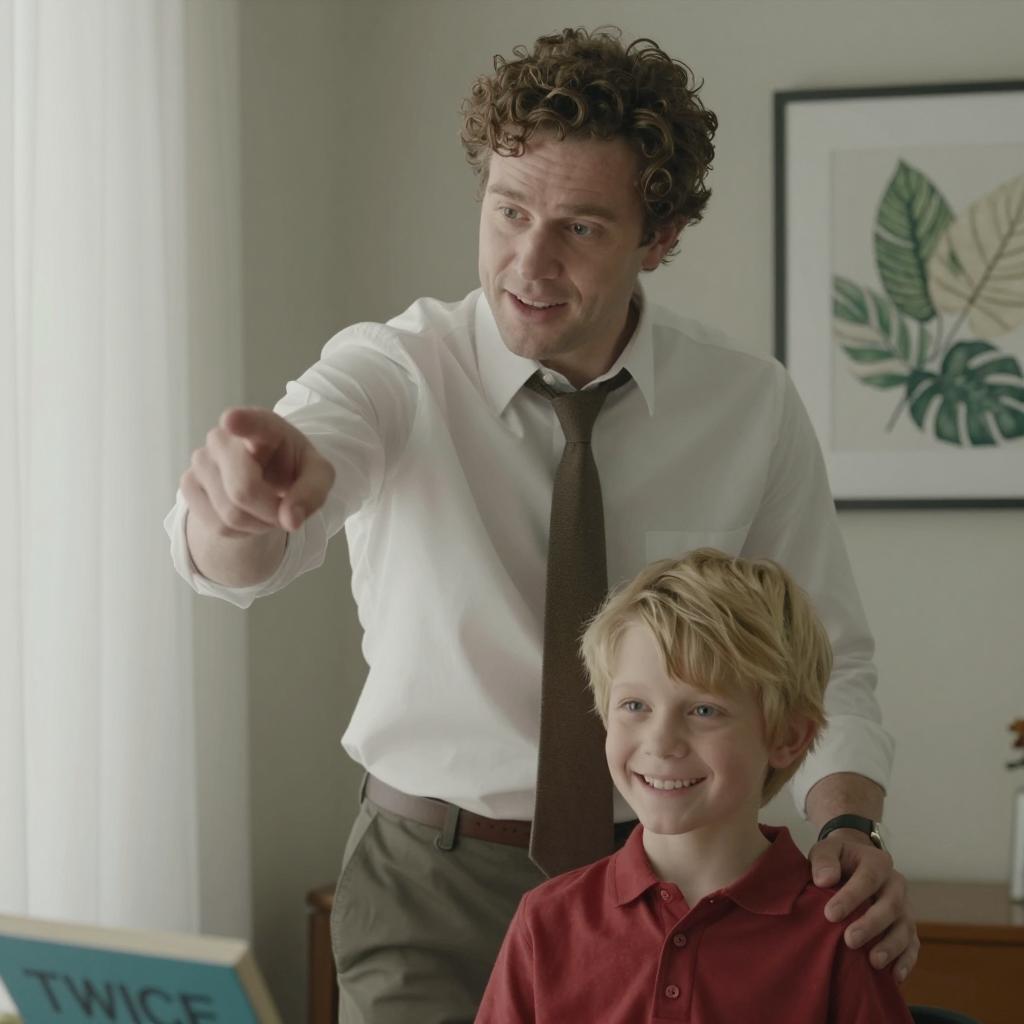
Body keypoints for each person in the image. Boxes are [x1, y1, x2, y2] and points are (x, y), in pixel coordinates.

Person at [166, 26, 917, 1023]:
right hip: (430, 883)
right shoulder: (393, 370)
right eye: (509, 210)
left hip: (663, 876)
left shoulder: (747, 404)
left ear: (659, 238)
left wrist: (848, 826)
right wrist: (239, 507)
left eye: (582, 228)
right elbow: (246, 546)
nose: (530, 261)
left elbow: (829, 655)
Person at [476, 548, 914, 1022]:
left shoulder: (843, 930)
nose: (661, 742)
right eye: (635, 706)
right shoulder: (545, 920)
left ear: (788, 738)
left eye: (704, 710)